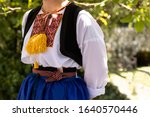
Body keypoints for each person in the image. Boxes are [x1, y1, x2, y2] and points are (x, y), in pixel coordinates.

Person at [17, 0, 108, 100]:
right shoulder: (29, 16)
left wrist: (84, 95)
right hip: (32, 87)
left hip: (64, 90)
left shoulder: (81, 19)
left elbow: (96, 64)